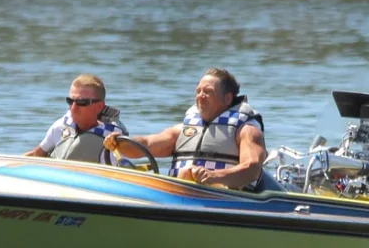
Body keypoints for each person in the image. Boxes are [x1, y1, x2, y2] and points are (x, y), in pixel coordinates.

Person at [104, 68, 268, 190]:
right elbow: (146, 144)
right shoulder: (183, 130)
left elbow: (252, 168)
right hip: (181, 195)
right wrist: (119, 143)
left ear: (227, 98)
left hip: (226, 199)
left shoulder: (246, 130)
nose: (200, 96)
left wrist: (212, 176)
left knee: (187, 174)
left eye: (208, 92)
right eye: (198, 91)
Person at [25, 73, 128, 163]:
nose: (73, 108)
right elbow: (36, 155)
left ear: (99, 106)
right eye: (70, 101)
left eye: (81, 102)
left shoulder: (113, 141)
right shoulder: (60, 127)